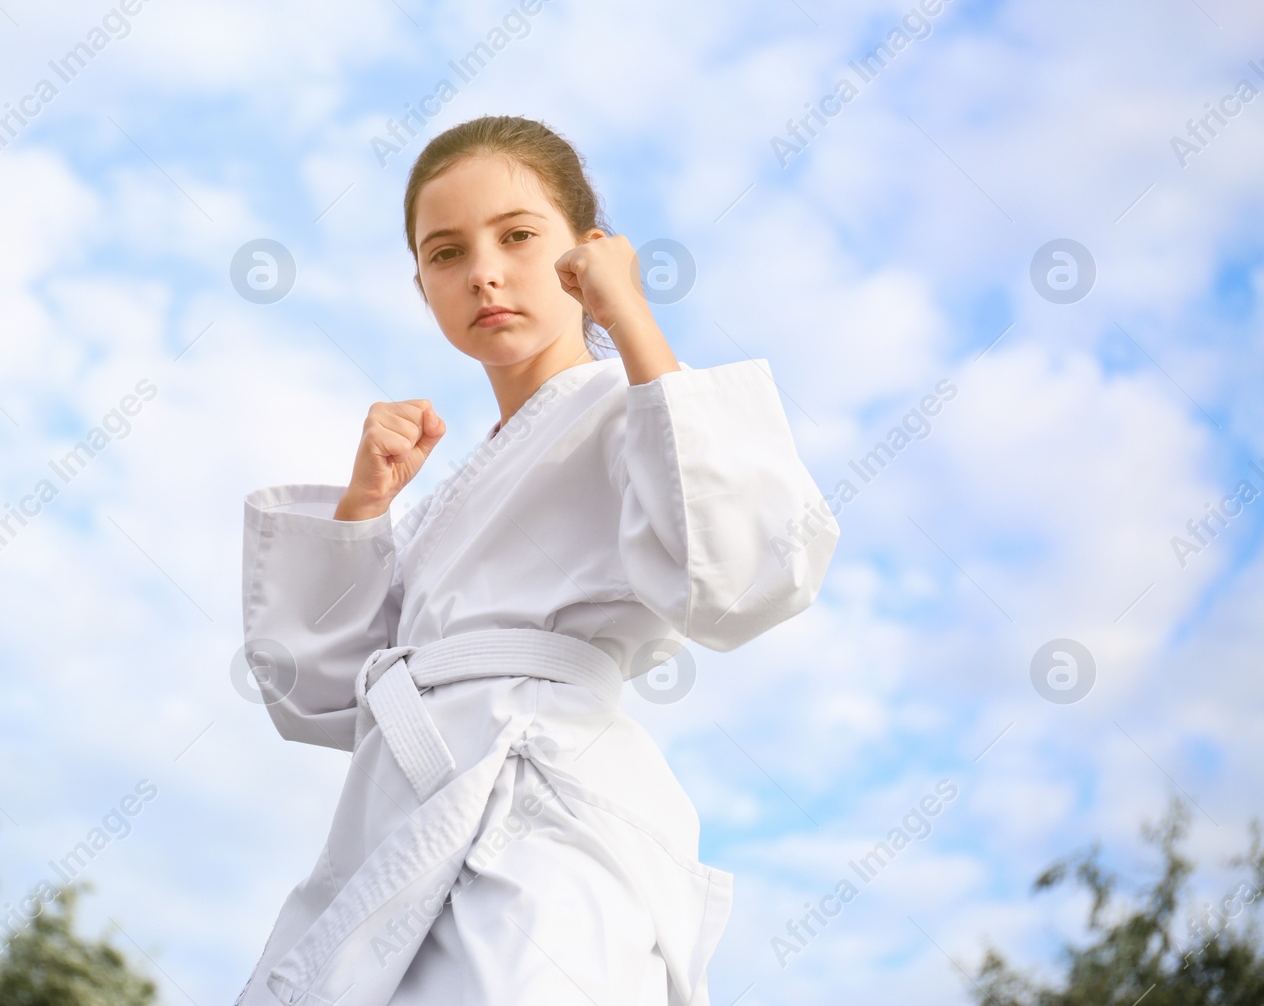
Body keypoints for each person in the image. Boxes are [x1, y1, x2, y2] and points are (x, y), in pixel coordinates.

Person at [234, 115, 839, 1005]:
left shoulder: (634, 404)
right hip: (400, 820)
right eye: (446, 253)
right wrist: (365, 504)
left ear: (589, 252)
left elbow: (745, 575)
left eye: (518, 235)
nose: (483, 270)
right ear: (423, 286)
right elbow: (319, 693)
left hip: (540, 817)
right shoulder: (441, 498)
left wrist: (628, 315)